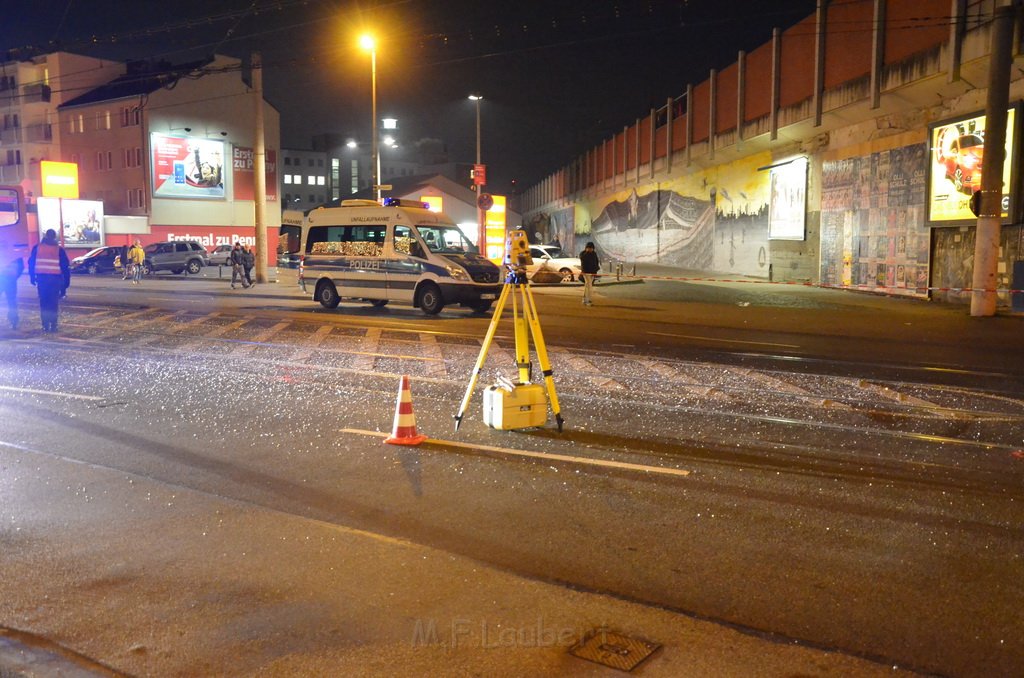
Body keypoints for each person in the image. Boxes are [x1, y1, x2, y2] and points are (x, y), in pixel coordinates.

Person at [28, 229, 70, 333]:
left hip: (42, 280)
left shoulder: (37, 248)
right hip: (55, 280)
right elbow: (65, 267)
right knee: (53, 303)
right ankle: (54, 325)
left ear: (46, 236)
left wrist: (32, 277)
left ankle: (45, 325)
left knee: (44, 303)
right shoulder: (59, 250)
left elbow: (31, 263)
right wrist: (66, 284)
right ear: (54, 237)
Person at [0, 242, 24, 330]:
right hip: (11, 281)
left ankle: (14, 320)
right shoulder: (14, 253)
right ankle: (14, 321)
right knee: (12, 301)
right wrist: (15, 277)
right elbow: (21, 267)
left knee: (12, 301)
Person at [579, 241, 600, 307]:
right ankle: (588, 300)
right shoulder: (583, 254)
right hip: (586, 272)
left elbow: (596, 262)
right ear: (586, 248)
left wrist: (595, 271)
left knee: (587, 286)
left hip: (592, 273)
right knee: (589, 286)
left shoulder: (594, 254)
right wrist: (587, 252)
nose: (590, 249)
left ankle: (585, 299)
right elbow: (582, 259)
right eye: (589, 248)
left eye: (591, 248)